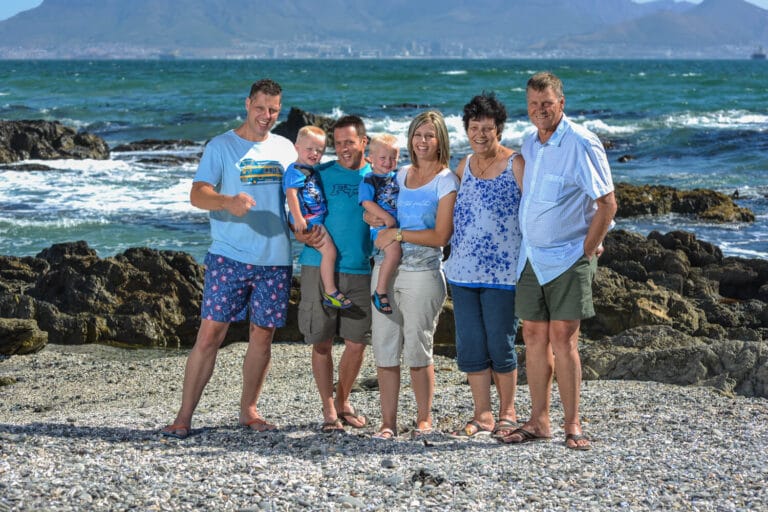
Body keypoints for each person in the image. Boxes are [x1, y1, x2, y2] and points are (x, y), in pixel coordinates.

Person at [162, 79, 297, 439]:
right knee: (210, 335)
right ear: (247, 104)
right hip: (229, 257)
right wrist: (227, 202)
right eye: (261, 107)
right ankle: (183, 417)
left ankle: (249, 411)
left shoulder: (285, 148)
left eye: (273, 110)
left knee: (262, 337)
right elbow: (197, 194)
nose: (266, 115)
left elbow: (299, 195)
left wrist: (307, 225)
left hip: (275, 259)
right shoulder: (221, 146)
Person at [500, 72, 617, 450]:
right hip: (531, 257)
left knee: (563, 340)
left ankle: (573, 424)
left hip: (568, 257)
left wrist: (589, 247)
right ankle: (539, 421)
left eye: (547, 104)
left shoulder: (582, 143)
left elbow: (607, 203)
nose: (539, 110)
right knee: (533, 337)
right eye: (533, 104)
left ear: (561, 103)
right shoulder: (530, 143)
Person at [368, 111, 459, 440]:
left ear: (440, 140)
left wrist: (398, 234)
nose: (423, 141)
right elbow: (376, 206)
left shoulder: (446, 181)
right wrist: (373, 220)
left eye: (429, 135)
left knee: (419, 350)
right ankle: (388, 423)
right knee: (385, 348)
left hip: (423, 274)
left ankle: (423, 419)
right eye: (418, 134)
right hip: (385, 271)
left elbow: (441, 235)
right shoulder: (400, 173)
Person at [443, 92, 524, 439]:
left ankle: (508, 412)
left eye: (487, 129)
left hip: (503, 274)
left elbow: (535, 210)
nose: (480, 134)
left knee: (501, 343)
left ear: (499, 130)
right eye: (474, 128)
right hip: (462, 272)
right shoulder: (463, 165)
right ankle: (483, 414)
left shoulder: (516, 164)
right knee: (472, 345)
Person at [294, 115, 373, 433]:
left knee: (357, 343)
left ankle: (342, 401)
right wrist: (300, 234)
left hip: (360, 269)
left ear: (363, 142)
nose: (343, 149)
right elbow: (295, 213)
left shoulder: (378, 176)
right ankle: (329, 409)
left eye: (349, 142)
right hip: (317, 266)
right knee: (322, 342)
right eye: (338, 144)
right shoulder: (319, 174)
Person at [283, 126, 351, 310]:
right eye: (309, 149)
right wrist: (298, 218)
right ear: (297, 147)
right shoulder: (295, 170)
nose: (314, 153)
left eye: (319, 150)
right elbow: (291, 194)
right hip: (309, 220)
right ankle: (330, 291)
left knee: (329, 252)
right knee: (330, 252)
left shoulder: (309, 168)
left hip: (314, 218)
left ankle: (330, 290)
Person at [358, 133, 401, 315]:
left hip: (396, 226)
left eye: (393, 158)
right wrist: (386, 217)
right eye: (383, 158)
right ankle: (380, 291)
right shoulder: (369, 179)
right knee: (394, 252)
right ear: (371, 158)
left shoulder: (398, 177)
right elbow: (366, 202)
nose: (388, 162)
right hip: (381, 227)